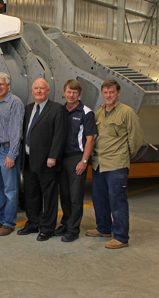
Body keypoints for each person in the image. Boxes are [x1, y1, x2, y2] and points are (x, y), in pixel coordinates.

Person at [88, 79, 143, 249]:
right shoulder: (99, 113)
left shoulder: (127, 112)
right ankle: (104, 229)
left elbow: (136, 140)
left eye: (112, 92)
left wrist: (124, 156)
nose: (108, 95)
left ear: (118, 93)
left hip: (116, 165)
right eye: (105, 92)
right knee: (99, 199)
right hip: (99, 164)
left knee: (117, 202)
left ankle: (121, 237)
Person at [17, 78, 67, 241]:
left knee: (49, 195)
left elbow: (59, 135)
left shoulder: (57, 109)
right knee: (31, 194)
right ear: (32, 90)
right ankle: (33, 223)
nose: (39, 91)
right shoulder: (28, 108)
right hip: (29, 160)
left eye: (42, 88)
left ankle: (47, 228)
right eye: (36, 88)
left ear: (48, 91)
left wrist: (53, 156)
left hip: (47, 162)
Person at [56, 80, 96, 242]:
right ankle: (66, 223)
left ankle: (73, 229)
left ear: (79, 94)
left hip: (77, 158)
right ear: (64, 92)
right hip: (62, 158)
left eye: (74, 92)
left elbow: (90, 139)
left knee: (75, 196)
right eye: (68, 92)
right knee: (64, 195)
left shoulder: (86, 112)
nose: (71, 95)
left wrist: (84, 161)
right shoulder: (61, 110)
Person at [0, 72, 24, 236]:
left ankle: (9, 222)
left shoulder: (15, 102)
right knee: (1, 188)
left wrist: (12, 154)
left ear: (8, 85)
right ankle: (2, 218)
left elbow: (17, 131)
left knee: (10, 189)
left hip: (8, 150)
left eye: (2, 84)